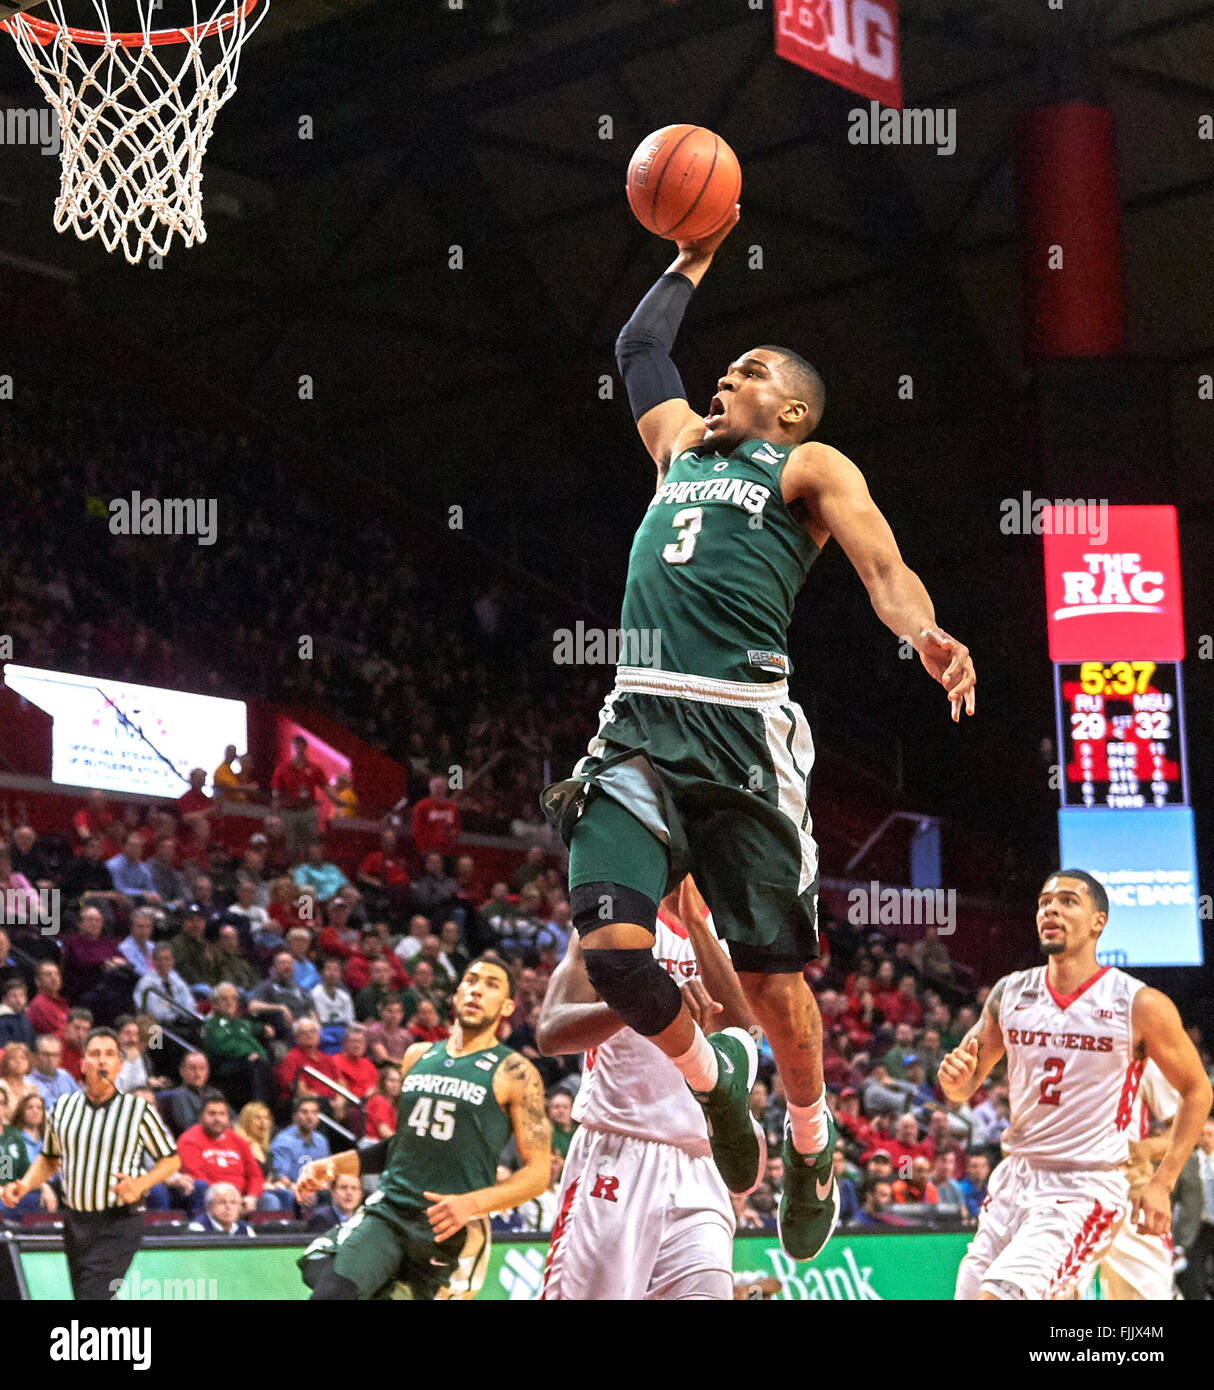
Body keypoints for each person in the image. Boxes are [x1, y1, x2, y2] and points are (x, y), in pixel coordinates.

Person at [539, 206, 976, 1263]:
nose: (722, 380)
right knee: (611, 950)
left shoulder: (805, 468)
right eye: (723, 369)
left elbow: (883, 566)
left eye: (744, 372)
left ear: (788, 406)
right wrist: (688, 257)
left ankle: (811, 1141)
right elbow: (638, 348)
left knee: (775, 978)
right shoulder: (674, 446)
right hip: (636, 718)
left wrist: (920, 630)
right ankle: (714, 1085)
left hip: (739, 734)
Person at [944, 870, 1212, 1300]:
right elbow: (962, 1087)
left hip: (1085, 1187)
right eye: (1044, 902)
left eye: (1068, 901)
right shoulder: (1010, 993)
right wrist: (957, 1083)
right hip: (1014, 1180)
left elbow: (1198, 1090)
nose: (1051, 908)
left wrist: (1162, 1182)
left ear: (1098, 921)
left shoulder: (1139, 1003)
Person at [536, 877, 756, 1300]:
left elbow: (748, 1034)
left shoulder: (731, 925)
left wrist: (695, 921)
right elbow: (550, 1032)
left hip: (699, 1163)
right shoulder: (614, 915)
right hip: (617, 1153)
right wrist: (644, 1000)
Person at [295, 952, 551, 1301]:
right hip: (388, 1213)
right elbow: (403, 1144)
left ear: (507, 1007)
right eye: (471, 981)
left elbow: (538, 1174)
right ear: (457, 994)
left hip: (450, 1229)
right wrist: (334, 1166)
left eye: (491, 986)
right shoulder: (417, 1056)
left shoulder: (516, 1072)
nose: (477, 991)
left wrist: (472, 1204)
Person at [0, 1027, 179, 1298]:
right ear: (82, 1064)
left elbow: (170, 1160)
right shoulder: (62, 1108)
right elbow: (50, 1159)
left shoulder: (137, 1111)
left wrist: (142, 1182)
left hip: (119, 1220)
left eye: (109, 1054)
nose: (102, 1060)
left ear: (119, 1064)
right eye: (94, 1054)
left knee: (91, 1296)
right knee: (93, 1294)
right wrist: (23, 1185)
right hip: (76, 1221)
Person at [1094, 1058, 1180, 1300]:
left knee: (1151, 1292)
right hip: (1067, 1188)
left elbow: (1184, 1125)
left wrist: (1147, 1149)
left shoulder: (1142, 1061)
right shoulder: (1057, 1049)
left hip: (1129, 1187)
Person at [177, 1092, 265, 1217]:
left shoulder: (238, 1141)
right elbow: (196, 1176)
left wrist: (251, 1196)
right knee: (200, 1187)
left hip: (242, 1198)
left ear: (228, 1118)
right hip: (212, 1198)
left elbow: (255, 1175)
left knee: (274, 1198)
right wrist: (230, 1199)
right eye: (212, 1114)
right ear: (201, 1117)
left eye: (222, 1114)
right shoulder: (189, 1140)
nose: (218, 1119)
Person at [1174, 1118, 1214, 1301]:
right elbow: (1171, 1198)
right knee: (1194, 1284)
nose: (1206, 1139)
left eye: (1210, 1134)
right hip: (1195, 1229)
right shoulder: (1185, 1161)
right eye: (1201, 1135)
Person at [134, 944, 198, 1026]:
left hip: (182, 1023)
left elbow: (190, 1005)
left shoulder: (177, 981)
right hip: (159, 1027)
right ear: (153, 961)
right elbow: (155, 1012)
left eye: (167, 959)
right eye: (159, 960)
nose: (163, 963)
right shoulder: (146, 983)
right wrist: (176, 1016)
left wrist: (182, 1017)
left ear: (173, 961)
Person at [159, 1052, 213, 1138]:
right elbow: (188, 1126)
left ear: (208, 1071)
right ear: (182, 1071)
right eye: (192, 1068)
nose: (198, 1074)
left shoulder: (214, 1094)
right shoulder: (180, 1095)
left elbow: (232, 1119)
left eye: (202, 1068)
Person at [188, 1181, 255, 1237]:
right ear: (208, 1206)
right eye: (222, 1202)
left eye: (233, 1203)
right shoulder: (197, 1228)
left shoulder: (245, 1228)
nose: (228, 1207)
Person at [29, 1034, 78, 1107]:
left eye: (55, 1055)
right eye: (46, 1054)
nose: (51, 1059)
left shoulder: (65, 1075)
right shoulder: (29, 1083)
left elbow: (80, 1098)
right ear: (35, 1056)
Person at [25, 961, 68, 1039]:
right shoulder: (40, 1004)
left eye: (57, 974)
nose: (54, 978)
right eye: (48, 974)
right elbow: (61, 1034)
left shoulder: (60, 1002)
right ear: (37, 981)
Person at [364, 1064, 402, 1141]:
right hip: (373, 1145)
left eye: (399, 1081)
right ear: (383, 1082)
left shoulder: (394, 1104)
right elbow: (384, 1132)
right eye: (392, 1081)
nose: (396, 1085)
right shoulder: (379, 1100)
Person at [0, 977, 34, 1047]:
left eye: (22, 995)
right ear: (4, 999)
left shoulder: (24, 1017)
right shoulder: (2, 1020)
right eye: (13, 996)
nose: (19, 1000)